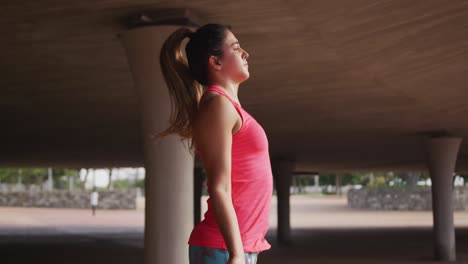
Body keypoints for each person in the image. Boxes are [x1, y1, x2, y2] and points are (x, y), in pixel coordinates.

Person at [158, 24, 273, 264]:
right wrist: (236, 254)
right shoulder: (218, 106)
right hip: (224, 250)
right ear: (216, 62)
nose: (245, 54)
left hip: (236, 247)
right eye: (236, 47)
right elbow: (219, 187)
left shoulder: (226, 106)